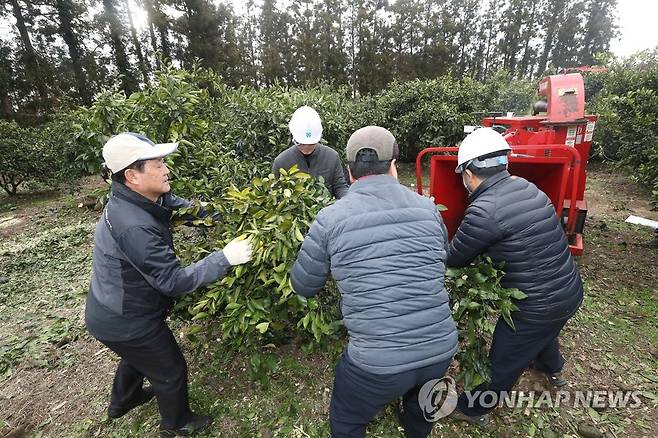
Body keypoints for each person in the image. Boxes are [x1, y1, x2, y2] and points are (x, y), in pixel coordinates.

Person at [289, 126, 458, 438]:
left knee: (347, 420)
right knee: (422, 407)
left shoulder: (330, 219)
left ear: (350, 173)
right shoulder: (428, 209)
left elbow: (303, 285)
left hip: (376, 364)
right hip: (440, 349)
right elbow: (439, 261)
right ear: (394, 166)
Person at [85, 133, 253, 437]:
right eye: (157, 164)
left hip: (110, 305)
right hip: (125, 317)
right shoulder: (133, 225)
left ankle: (123, 400)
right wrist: (225, 257)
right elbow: (173, 281)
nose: (166, 169)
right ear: (132, 176)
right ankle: (176, 423)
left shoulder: (145, 197)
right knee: (169, 370)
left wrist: (229, 212)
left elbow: (187, 209)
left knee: (137, 355)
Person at [447, 127, 584, 426]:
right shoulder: (528, 187)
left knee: (504, 360)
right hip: (569, 291)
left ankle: (473, 409)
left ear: (469, 173)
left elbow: (454, 258)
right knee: (546, 329)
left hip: (536, 307)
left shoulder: (484, 210)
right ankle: (552, 368)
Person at [272, 105, 349, 199]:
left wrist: (346, 202)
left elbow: (340, 187)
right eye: (302, 144)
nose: (307, 148)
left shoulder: (332, 157)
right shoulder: (281, 161)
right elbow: (276, 193)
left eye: (311, 143)